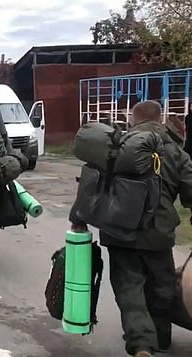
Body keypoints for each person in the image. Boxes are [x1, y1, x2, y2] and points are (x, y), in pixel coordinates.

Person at [70, 101, 192, 357]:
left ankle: (141, 344)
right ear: (160, 119)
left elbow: (91, 184)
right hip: (158, 234)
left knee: (129, 288)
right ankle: (160, 336)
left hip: (118, 231)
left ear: (133, 120)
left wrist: (78, 219)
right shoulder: (175, 151)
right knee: (162, 286)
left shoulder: (116, 148)